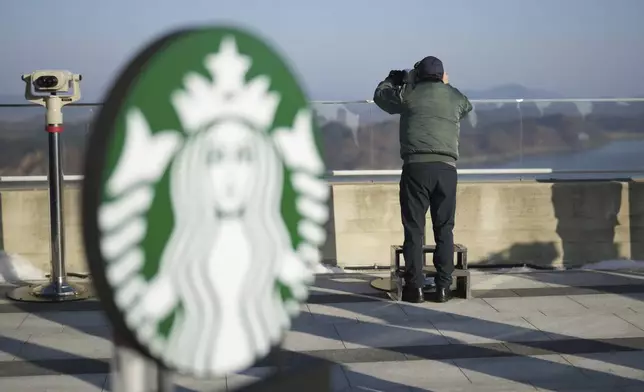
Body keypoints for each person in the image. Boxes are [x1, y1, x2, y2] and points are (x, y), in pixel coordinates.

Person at [373, 56, 472, 303]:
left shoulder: (409, 93)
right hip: (447, 170)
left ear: (419, 75)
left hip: (416, 168)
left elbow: (381, 97)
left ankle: (415, 289)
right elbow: (466, 107)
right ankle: (443, 288)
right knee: (444, 229)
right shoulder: (454, 96)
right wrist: (446, 86)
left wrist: (392, 80)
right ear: (441, 75)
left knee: (414, 229)